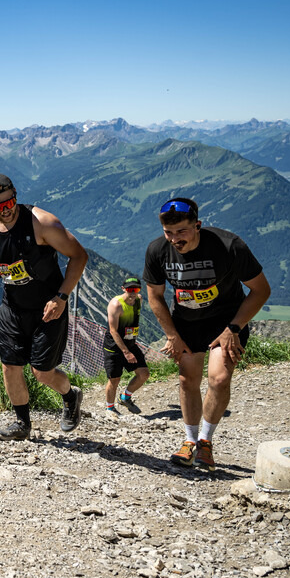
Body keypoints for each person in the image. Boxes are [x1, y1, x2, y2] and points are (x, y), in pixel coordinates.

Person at [143, 197, 270, 470]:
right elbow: (154, 296)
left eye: (182, 232)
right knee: (188, 380)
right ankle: (189, 442)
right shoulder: (157, 251)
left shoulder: (229, 246)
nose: (175, 239)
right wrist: (171, 335)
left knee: (219, 378)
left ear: (198, 225)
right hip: (187, 323)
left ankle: (205, 442)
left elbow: (261, 290)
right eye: (169, 233)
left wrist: (233, 328)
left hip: (226, 321)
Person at [0, 173, 89, 440]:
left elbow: (79, 256)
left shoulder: (42, 223)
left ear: (15, 194)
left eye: (10, 201)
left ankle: (71, 397)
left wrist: (61, 297)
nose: (7, 209)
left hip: (48, 308)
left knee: (42, 372)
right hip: (12, 308)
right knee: (9, 367)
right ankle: (22, 423)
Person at [102, 277, 150, 415]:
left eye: (136, 289)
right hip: (114, 347)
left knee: (143, 374)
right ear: (123, 289)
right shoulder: (116, 305)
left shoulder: (138, 300)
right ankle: (109, 408)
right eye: (130, 289)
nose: (133, 292)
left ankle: (125, 397)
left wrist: (129, 349)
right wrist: (126, 352)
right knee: (114, 379)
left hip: (130, 343)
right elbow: (113, 330)